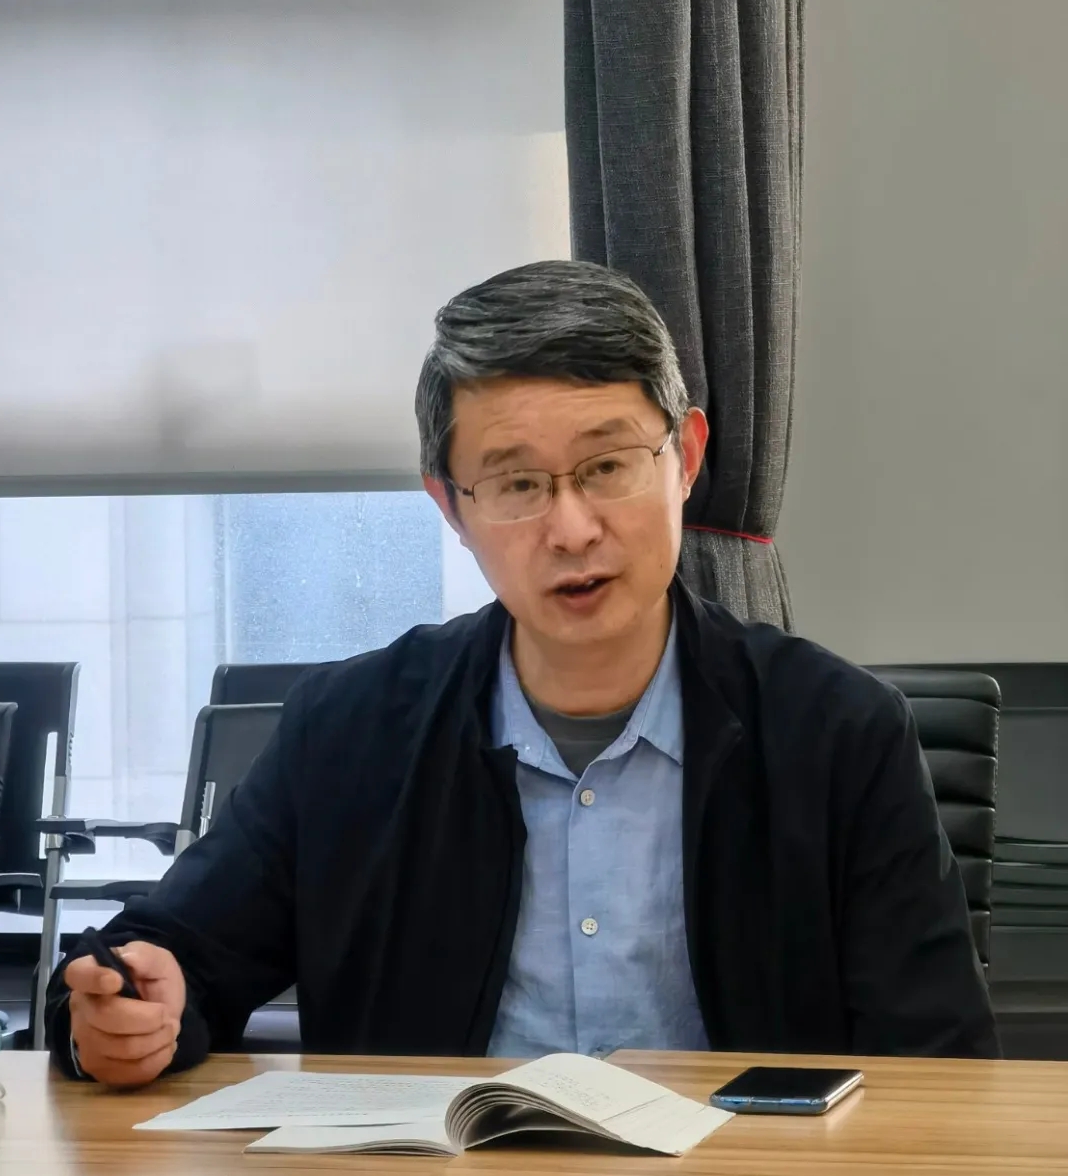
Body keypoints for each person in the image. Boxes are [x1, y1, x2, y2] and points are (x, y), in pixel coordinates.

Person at [49, 260, 998, 1087]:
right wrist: (126, 1015)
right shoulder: (348, 730)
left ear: (686, 458)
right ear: (451, 508)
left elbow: (941, 1066)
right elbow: (167, 953)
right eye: (516, 484)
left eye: (608, 466)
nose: (572, 529)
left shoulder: (838, 734)